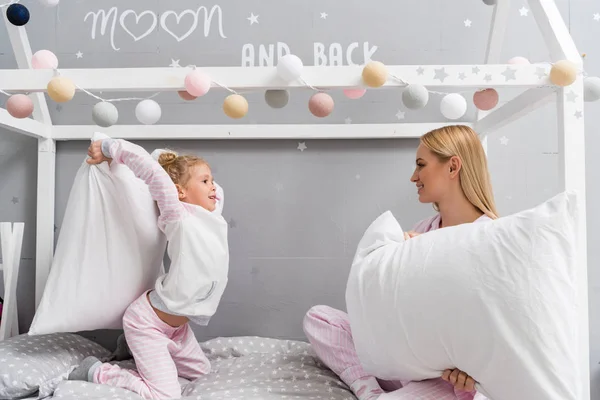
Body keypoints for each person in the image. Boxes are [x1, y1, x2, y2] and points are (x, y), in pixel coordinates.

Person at [303, 125, 498, 400]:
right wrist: (395, 257)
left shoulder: (491, 236)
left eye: (421, 165)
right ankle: (367, 389)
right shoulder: (422, 228)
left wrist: (473, 370)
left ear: (453, 167)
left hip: (446, 379)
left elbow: (494, 321)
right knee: (319, 318)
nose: (413, 177)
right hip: (399, 362)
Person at [68, 138, 229, 400]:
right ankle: (99, 372)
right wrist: (110, 148)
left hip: (177, 329)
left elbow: (216, 191)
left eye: (212, 180)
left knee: (202, 372)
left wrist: (176, 162)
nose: (213, 187)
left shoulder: (213, 218)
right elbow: (153, 173)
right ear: (179, 192)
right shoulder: (179, 217)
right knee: (165, 395)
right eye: (205, 181)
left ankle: (129, 349)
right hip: (149, 324)